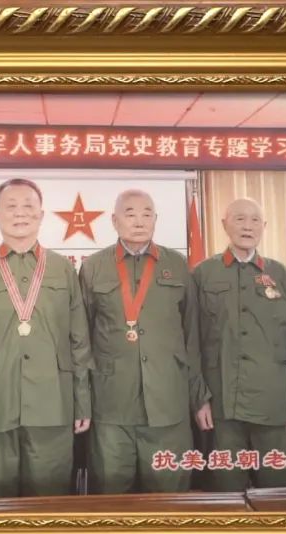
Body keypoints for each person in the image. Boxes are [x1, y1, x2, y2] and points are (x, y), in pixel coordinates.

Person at [0, 178, 92, 498]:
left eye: (28, 206)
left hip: (52, 407)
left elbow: (79, 341)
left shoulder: (63, 269)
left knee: (49, 509)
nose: (20, 213)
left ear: (41, 215)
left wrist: (82, 401)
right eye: (11, 206)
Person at [79, 188, 208, 494]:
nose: (139, 221)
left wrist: (199, 397)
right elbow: (81, 339)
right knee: (110, 499)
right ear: (114, 221)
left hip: (168, 405)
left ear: (155, 219)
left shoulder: (178, 265)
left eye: (147, 214)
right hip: (111, 406)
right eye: (130, 214)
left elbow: (192, 337)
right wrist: (82, 401)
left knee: (170, 500)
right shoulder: (93, 266)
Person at [192, 197, 286, 490]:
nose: (248, 226)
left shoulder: (281, 275)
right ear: (224, 224)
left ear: (264, 226)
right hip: (221, 406)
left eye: (255, 220)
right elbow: (192, 343)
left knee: (280, 493)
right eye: (240, 218)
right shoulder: (203, 274)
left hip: (275, 406)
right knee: (226, 494)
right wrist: (199, 398)